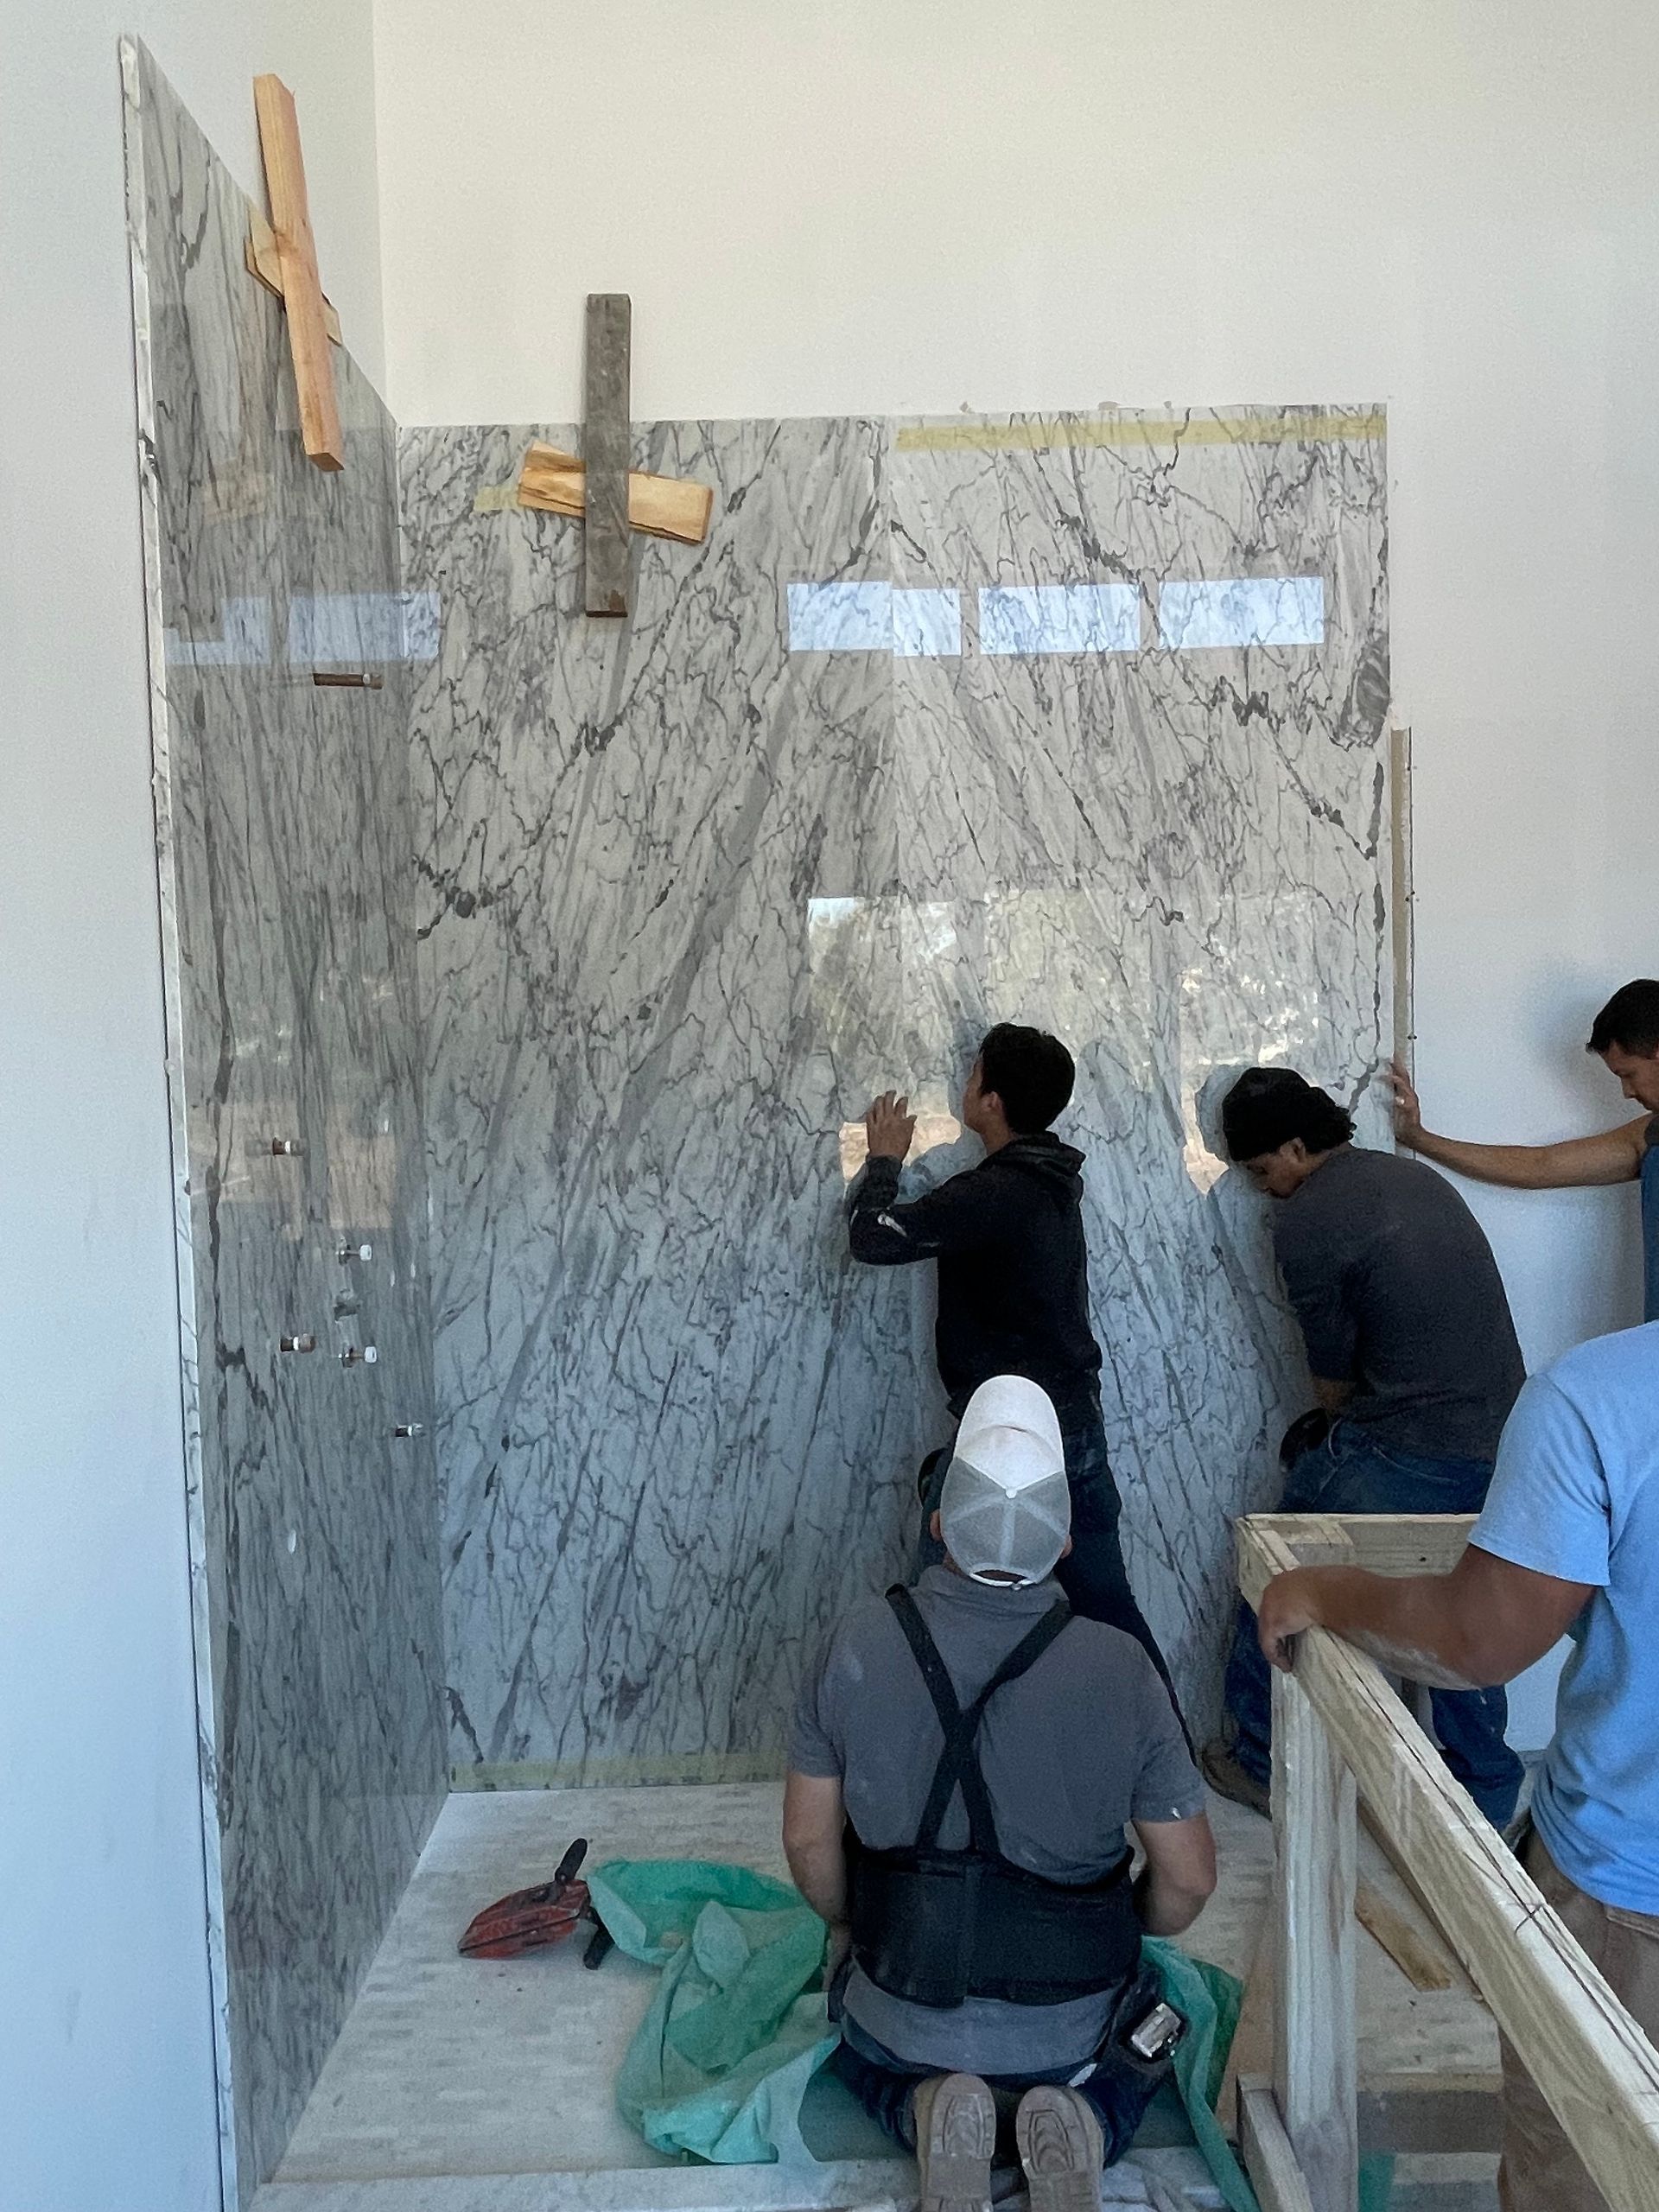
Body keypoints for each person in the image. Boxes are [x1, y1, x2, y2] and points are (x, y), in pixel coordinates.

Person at [784, 1376, 1217, 2212]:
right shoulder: (1123, 1667)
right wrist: (1134, 1924)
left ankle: (928, 2110)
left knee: (855, 2049)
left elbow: (807, 1842)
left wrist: (848, 1924)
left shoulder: (854, 1640)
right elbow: (1190, 1879)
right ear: (1060, 1544)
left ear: (940, 1527)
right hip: (1076, 2025)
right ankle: (1085, 2121)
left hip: (902, 2003)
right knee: (1155, 2039)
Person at [1254, 1321, 1659, 2212]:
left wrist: (1323, 1590)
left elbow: (1474, 1641)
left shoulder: (1603, 1400)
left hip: (1629, 1900)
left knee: (1584, 2176)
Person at [1202, 1066, 1527, 1830]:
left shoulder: (1310, 1219)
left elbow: (1331, 1383)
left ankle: (1259, 1762)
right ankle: (1485, 1791)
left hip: (1412, 1446)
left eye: (1261, 1170)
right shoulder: (1406, 1180)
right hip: (1503, 1439)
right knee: (1465, 1600)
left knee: (1275, 1570)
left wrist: (1334, 1432)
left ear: (1293, 1145)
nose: (1261, 1188)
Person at [847, 1021, 1179, 1713]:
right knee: (1107, 1605)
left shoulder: (997, 1193)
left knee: (931, 1607)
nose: (962, 1086)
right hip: (1073, 1428)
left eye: (971, 1076)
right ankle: (1164, 1768)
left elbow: (872, 1240)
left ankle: (909, 1767)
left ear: (992, 1101)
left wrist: (883, 1162)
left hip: (1004, 1439)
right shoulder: (1053, 1180)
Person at [1392, 978, 1659, 1323]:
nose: (1626, 1092)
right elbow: (1540, 1166)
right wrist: (1417, 1138)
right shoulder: (1650, 1134)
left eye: (1629, 1074)